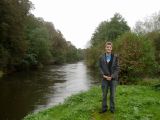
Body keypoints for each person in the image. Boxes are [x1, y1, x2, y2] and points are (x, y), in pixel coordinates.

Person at [99, 41, 119, 113]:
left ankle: (112, 109)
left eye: (110, 47)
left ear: (111, 48)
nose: (108, 48)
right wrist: (103, 75)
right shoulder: (101, 57)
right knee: (104, 95)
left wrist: (112, 76)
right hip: (104, 79)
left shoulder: (115, 57)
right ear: (105, 48)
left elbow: (117, 68)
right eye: (107, 47)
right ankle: (104, 109)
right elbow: (100, 67)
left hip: (113, 79)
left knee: (112, 95)